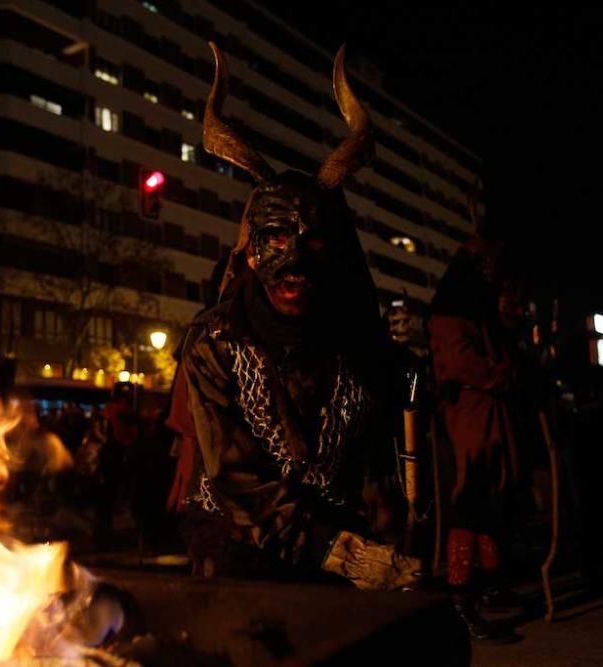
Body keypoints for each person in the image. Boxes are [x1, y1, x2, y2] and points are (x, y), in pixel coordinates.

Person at [173, 42, 418, 590]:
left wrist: (389, 545)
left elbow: (374, 464)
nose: (295, 262)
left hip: (337, 545)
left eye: (313, 242)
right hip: (237, 545)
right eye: (279, 239)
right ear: (254, 251)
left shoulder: (356, 342)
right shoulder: (213, 342)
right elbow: (235, 478)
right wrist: (337, 551)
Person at [428, 231, 522, 640]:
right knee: (468, 504)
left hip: (486, 419)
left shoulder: (474, 315)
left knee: (486, 504)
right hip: (469, 419)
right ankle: (459, 599)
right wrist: (498, 375)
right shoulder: (450, 316)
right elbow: (461, 364)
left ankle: (487, 586)